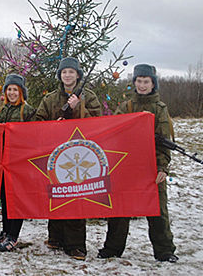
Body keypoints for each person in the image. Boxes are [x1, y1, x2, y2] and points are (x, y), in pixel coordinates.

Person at [97, 64, 178, 263]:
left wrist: (162, 167)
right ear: (134, 83)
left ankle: (164, 250)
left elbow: (165, 141)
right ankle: (113, 248)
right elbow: (112, 133)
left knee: (157, 210)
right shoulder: (126, 107)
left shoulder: (159, 109)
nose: (142, 85)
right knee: (120, 208)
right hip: (126, 166)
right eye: (139, 81)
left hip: (151, 167)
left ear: (153, 84)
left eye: (146, 81)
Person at [36, 57, 102, 260]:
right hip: (56, 154)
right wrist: (52, 125)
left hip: (81, 154)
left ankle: (75, 245)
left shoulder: (88, 97)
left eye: (71, 72)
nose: (67, 75)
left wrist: (79, 107)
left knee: (75, 195)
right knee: (56, 192)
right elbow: (38, 120)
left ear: (78, 75)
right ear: (60, 75)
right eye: (64, 72)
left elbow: (98, 122)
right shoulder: (51, 98)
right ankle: (55, 237)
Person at [0, 74, 37, 252]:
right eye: (9, 89)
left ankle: (13, 236)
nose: (12, 93)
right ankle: (5, 231)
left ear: (21, 92)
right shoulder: (1, 111)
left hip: (20, 163)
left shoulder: (27, 110)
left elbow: (36, 135)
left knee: (16, 200)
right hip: (3, 162)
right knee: (5, 198)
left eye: (15, 89)